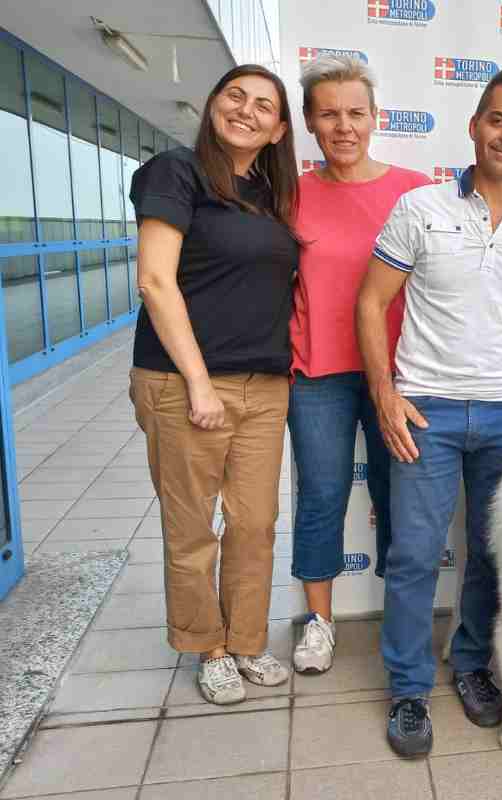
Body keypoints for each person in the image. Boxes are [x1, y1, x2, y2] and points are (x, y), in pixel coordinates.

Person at [356, 68, 502, 758]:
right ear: (475, 125)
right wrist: (385, 391)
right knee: (412, 556)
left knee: (495, 559)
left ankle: (470, 666)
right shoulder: (419, 208)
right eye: (498, 120)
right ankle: (407, 688)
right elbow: (371, 302)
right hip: (423, 412)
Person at [128, 64, 298, 705]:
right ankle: (210, 647)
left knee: (254, 523)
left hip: (264, 383)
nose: (246, 111)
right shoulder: (176, 172)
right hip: (184, 382)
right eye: (235, 96)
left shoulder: (269, 194)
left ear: (279, 128)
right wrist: (198, 382)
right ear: (212, 103)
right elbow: (155, 281)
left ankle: (248, 641)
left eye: (263, 106)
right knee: (193, 527)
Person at [288, 54, 431, 675]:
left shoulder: (417, 190)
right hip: (316, 372)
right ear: (310, 123)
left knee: (399, 498)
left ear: (375, 118)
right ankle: (318, 623)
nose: (343, 125)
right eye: (329, 114)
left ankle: (404, 623)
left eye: (355, 112)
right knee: (320, 495)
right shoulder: (289, 194)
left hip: (399, 374)